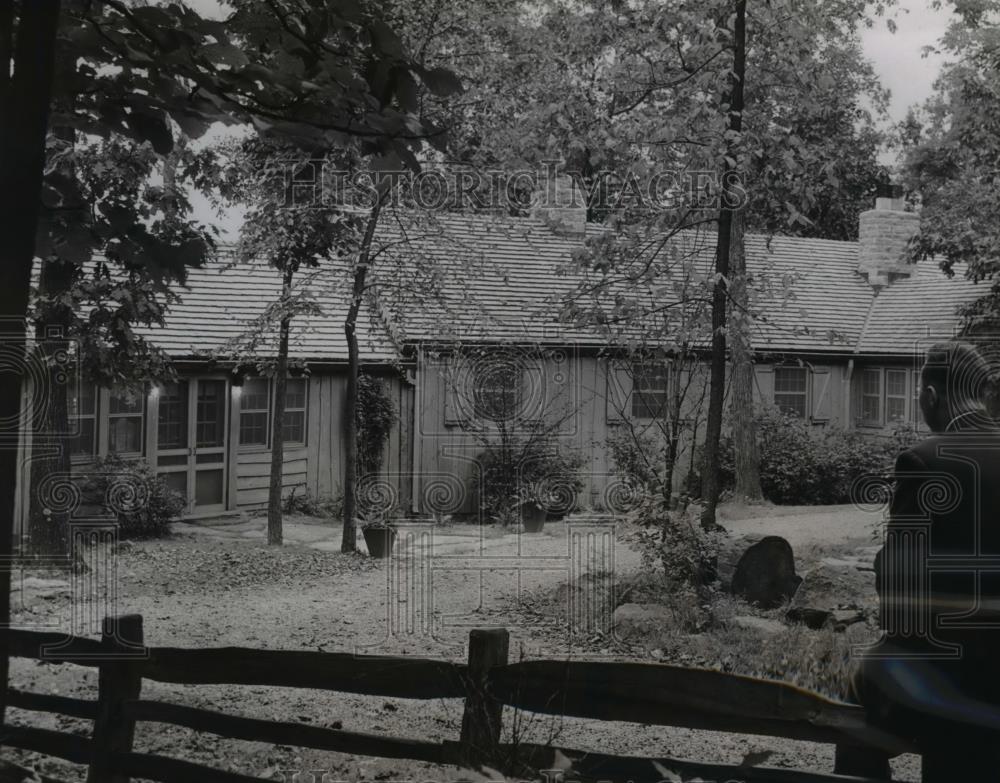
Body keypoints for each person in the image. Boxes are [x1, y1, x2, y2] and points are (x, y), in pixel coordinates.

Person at [851, 341, 1000, 780]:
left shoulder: (923, 461)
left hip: (952, 675)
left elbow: (898, 593)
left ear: (930, 396)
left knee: (866, 678)